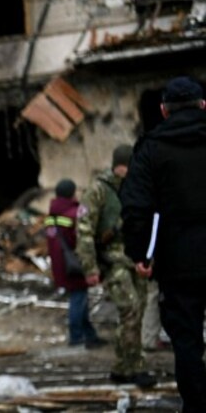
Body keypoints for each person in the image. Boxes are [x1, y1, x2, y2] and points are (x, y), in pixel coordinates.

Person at [121, 76, 206, 412]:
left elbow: (136, 208)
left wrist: (140, 253)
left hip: (178, 264)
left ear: (163, 111)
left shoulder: (150, 149)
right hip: (181, 261)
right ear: (203, 106)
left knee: (185, 342)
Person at [75, 144, 156, 388]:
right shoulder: (99, 190)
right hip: (112, 262)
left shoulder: (138, 187)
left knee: (137, 313)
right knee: (130, 309)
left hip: (136, 260)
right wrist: (90, 268)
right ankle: (135, 367)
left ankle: (123, 367)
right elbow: (84, 230)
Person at [45, 178, 105, 348]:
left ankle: (89, 335)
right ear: (72, 193)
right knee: (78, 299)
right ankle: (76, 337)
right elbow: (82, 240)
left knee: (80, 298)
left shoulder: (52, 214)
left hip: (60, 263)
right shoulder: (74, 213)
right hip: (75, 264)